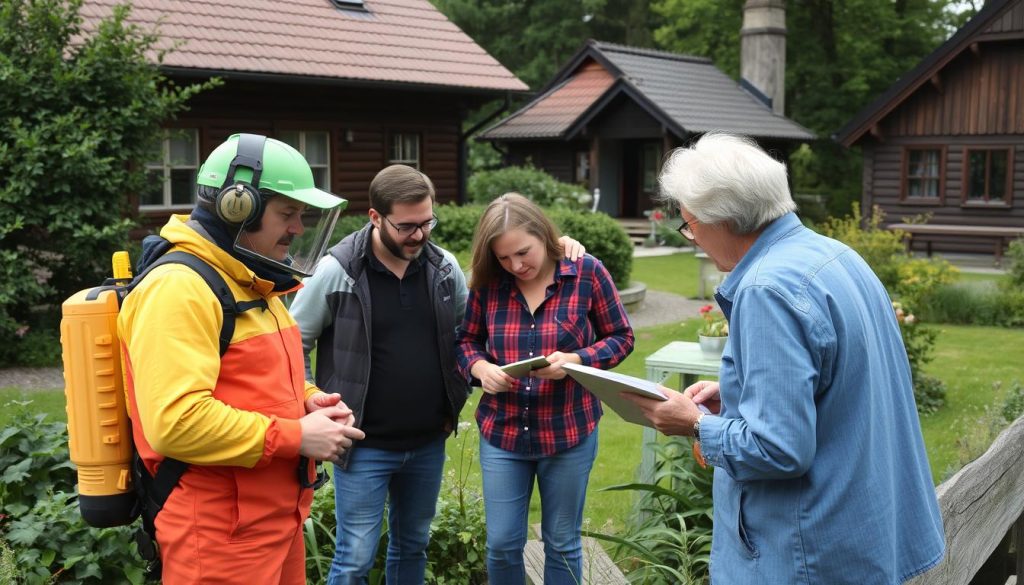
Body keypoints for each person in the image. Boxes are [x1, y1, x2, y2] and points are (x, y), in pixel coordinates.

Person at [625, 133, 945, 584]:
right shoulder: (836, 256)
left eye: (690, 226)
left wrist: (694, 424)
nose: (693, 239)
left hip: (807, 554)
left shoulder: (765, 289)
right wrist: (738, 392)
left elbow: (779, 450)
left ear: (721, 220)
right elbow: (842, 382)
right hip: (863, 531)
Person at [289, 166, 585, 585]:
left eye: (427, 222)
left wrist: (558, 247)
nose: (419, 235)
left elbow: (470, 337)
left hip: (428, 441)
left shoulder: (444, 268)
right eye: (407, 226)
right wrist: (310, 395)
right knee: (355, 557)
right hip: (363, 443)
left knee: (412, 546)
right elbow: (291, 340)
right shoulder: (337, 270)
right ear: (376, 218)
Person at [118, 133, 366, 584]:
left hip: (273, 523)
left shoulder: (253, 280)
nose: (298, 228)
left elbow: (257, 379)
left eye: (301, 215)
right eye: (287, 213)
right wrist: (295, 436)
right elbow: (176, 422)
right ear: (238, 206)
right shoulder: (180, 288)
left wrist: (308, 401)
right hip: (217, 536)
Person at [456, 193, 635, 585]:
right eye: (504, 258)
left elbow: (621, 337)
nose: (516, 265)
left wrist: (577, 361)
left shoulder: (586, 272)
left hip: (569, 431)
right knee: (502, 543)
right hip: (502, 432)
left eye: (523, 252)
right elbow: (465, 341)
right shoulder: (489, 284)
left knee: (562, 542)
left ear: (543, 233)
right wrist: (480, 367)